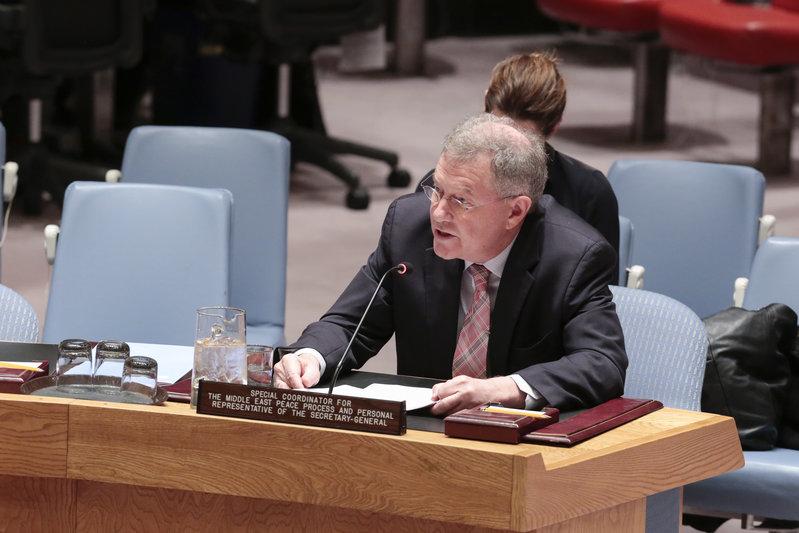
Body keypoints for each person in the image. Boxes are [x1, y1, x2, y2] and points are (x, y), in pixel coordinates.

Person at [274, 114, 626, 415]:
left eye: (460, 200)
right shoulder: (409, 229)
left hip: (521, 447)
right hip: (423, 435)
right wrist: (310, 356)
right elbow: (351, 324)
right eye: (437, 190)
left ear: (515, 211)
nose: (438, 213)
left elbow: (602, 362)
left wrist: (508, 388)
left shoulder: (572, 257)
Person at [420, 52, 620, 259]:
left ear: (554, 127)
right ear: (485, 106)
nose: (507, 152)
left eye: (523, 140)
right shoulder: (438, 189)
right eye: (499, 131)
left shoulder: (589, 194)